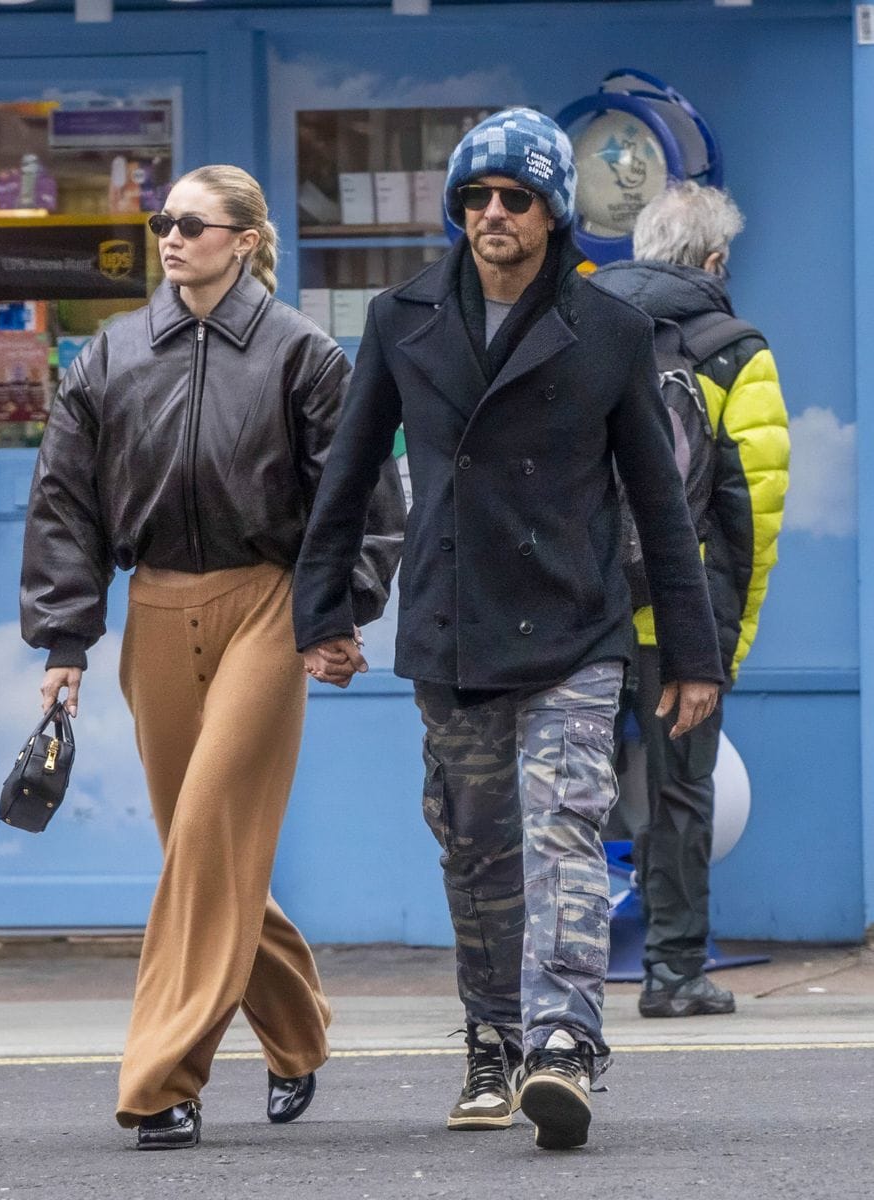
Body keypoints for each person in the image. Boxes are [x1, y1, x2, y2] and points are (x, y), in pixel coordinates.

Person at [292, 109, 723, 1152]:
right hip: (450, 628)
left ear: (551, 215)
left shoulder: (610, 331)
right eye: (476, 199)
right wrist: (328, 614)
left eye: (515, 199)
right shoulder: (401, 319)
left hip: (575, 624)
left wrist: (697, 655)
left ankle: (565, 1043)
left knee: (565, 829)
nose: (493, 214)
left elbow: (659, 501)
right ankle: (492, 1041)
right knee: (476, 851)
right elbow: (346, 477)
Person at [20, 165, 405, 1150]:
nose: (171, 237)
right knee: (205, 846)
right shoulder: (110, 355)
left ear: (244, 238)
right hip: (155, 606)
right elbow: (65, 500)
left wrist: (337, 612)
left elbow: (360, 495)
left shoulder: (303, 356)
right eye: (163, 222)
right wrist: (66, 639)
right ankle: (298, 1030)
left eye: (193, 223)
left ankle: (161, 1077)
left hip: (265, 608)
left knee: (206, 831)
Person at [594, 183, 790, 1018]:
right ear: (714, 262)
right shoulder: (734, 347)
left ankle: (548, 975)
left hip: (578, 610)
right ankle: (674, 974)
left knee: (559, 788)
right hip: (676, 617)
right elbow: (750, 511)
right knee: (679, 794)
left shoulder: (578, 323)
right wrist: (722, 645)